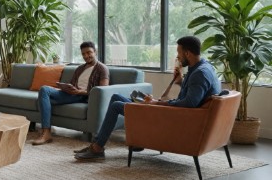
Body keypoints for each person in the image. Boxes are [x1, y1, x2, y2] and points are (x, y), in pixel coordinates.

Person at [75, 35, 221, 161]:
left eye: (179, 53)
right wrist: (180, 82)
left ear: (188, 53)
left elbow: (189, 103)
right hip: (175, 113)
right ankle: (100, 143)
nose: (178, 57)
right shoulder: (204, 67)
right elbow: (193, 96)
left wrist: (158, 103)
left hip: (173, 118)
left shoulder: (199, 74)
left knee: (116, 106)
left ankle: (98, 148)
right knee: (116, 97)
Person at [33, 41, 109, 145]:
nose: (86, 56)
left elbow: (103, 90)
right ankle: (46, 132)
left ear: (95, 52)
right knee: (44, 93)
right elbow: (72, 85)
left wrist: (80, 92)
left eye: (89, 52)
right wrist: (63, 88)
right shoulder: (80, 68)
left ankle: (46, 133)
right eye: (83, 54)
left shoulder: (102, 69)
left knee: (43, 96)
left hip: (83, 97)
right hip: (72, 94)